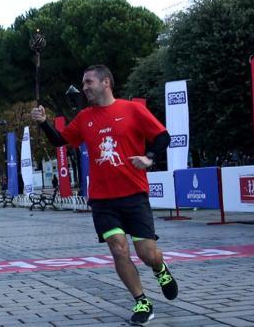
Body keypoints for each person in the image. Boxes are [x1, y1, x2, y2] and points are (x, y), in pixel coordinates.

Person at [31, 65, 178, 326]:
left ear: (106, 82)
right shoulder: (85, 117)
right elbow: (59, 141)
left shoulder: (132, 109)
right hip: (102, 200)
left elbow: (162, 136)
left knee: (147, 253)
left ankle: (160, 269)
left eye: (89, 82)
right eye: (83, 83)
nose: (85, 87)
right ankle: (141, 301)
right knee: (119, 250)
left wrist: (149, 157)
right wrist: (43, 123)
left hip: (134, 194)